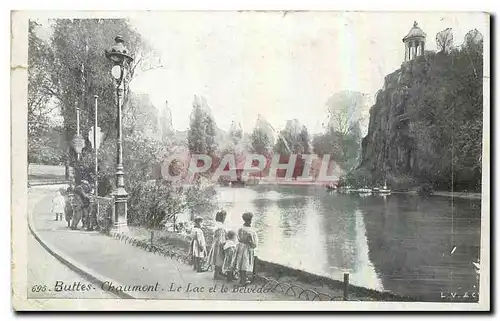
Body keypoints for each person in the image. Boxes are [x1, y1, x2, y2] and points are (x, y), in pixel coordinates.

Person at [234, 212, 258, 285]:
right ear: (250, 220)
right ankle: (243, 280)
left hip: (240, 246)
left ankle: (242, 278)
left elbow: (238, 238)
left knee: (240, 263)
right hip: (247, 248)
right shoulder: (251, 231)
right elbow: (254, 244)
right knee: (245, 263)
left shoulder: (240, 228)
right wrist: (252, 245)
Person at [207, 210, 227, 280]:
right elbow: (220, 237)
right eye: (224, 216)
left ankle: (219, 272)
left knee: (217, 258)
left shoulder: (217, 224)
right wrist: (224, 243)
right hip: (219, 244)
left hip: (215, 243)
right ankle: (216, 274)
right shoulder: (221, 227)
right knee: (219, 259)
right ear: (222, 217)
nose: (225, 218)